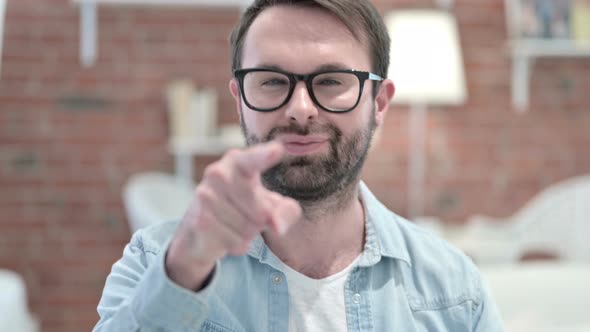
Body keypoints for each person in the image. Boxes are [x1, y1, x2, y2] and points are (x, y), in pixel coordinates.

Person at [94, 0, 504, 331]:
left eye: (331, 81)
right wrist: (184, 269)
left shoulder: (453, 290)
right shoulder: (157, 261)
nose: (301, 109)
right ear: (239, 99)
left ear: (378, 102)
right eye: (271, 81)